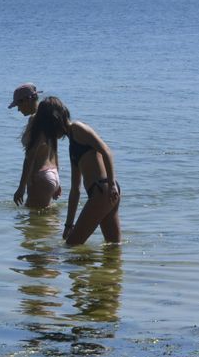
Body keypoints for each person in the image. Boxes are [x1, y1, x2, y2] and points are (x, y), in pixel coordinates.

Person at [45, 97, 121, 245]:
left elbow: (106, 151)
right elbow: (75, 190)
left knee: (72, 246)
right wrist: (68, 225)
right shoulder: (72, 144)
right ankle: (110, 269)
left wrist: (111, 183)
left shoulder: (78, 128)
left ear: (55, 120)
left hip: (104, 189)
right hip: (103, 192)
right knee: (112, 247)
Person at [9, 83, 62, 209]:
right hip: (51, 173)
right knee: (47, 223)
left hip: (40, 177)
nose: (18, 109)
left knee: (34, 222)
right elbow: (54, 150)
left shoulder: (35, 120)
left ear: (28, 100)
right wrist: (57, 181)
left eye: (18, 104)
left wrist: (21, 188)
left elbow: (31, 154)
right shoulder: (48, 118)